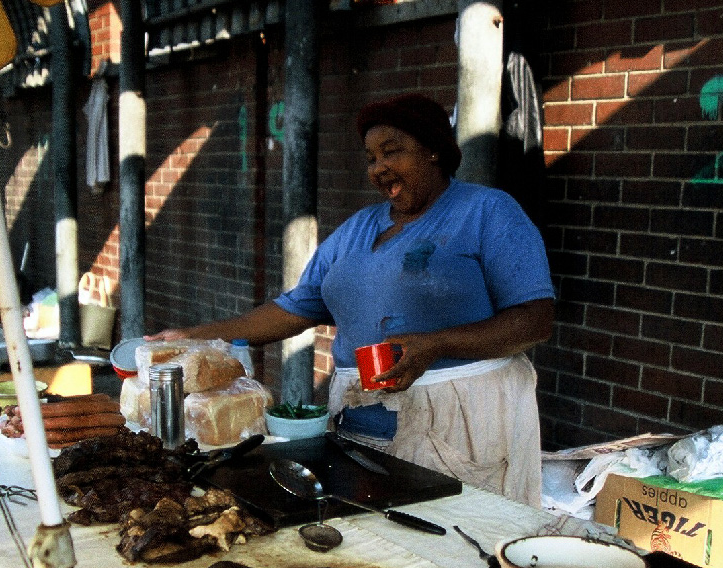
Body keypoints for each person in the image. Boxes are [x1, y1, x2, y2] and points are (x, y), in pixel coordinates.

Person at [147, 93, 555, 508]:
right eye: (372, 157)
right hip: (361, 425)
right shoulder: (359, 227)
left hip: (460, 424)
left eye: (391, 152)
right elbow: (293, 308)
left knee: (459, 544)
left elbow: (536, 320)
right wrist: (193, 336)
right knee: (378, 543)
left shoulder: (487, 211)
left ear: (434, 151)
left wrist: (436, 344)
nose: (378, 168)